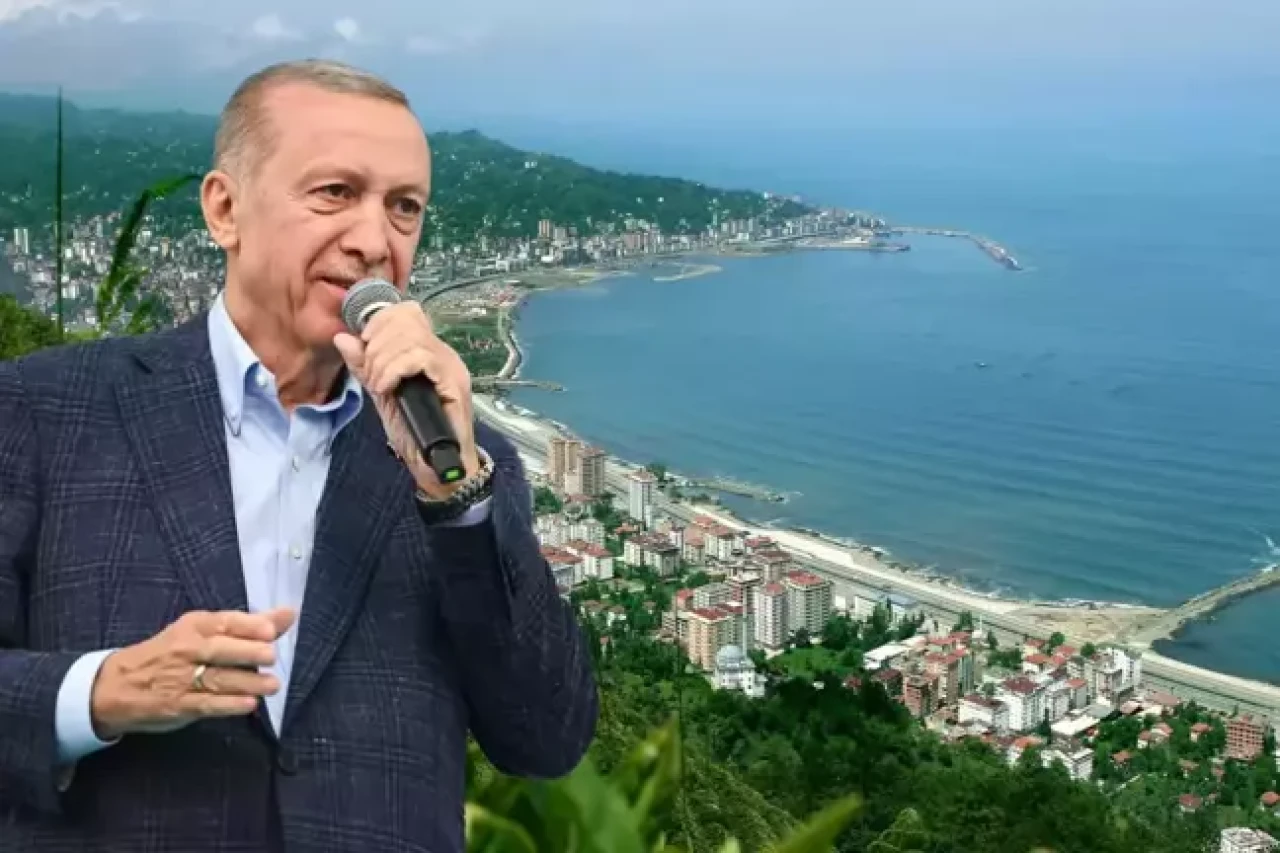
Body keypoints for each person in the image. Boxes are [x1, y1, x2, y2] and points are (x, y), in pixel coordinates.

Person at [0, 59, 597, 851]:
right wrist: (99, 692)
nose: (374, 241)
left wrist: (455, 500)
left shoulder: (464, 462)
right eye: (335, 193)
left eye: (404, 208)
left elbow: (548, 736)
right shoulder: (45, 407)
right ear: (225, 209)